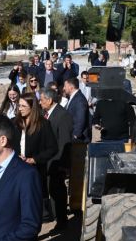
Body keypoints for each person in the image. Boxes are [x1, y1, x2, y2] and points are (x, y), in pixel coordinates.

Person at [39, 87, 74, 231]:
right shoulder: (46, 114)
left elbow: (65, 142)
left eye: (41, 100)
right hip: (47, 162)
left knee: (58, 193)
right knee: (50, 191)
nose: (40, 103)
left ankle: (62, 221)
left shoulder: (62, 115)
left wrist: (61, 164)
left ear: (49, 100)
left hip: (57, 163)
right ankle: (54, 217)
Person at [14, 94, 58, 208]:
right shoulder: (14, 123)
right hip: (15, 169)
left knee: (33, 204)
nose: (20, 109)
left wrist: (34, 159)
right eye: (19, 106)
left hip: (35, 172)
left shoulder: (43, 124)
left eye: (23, 106)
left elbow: (52, 148)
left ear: (32, 107)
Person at [63, 77, 90, 142]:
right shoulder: (73, 97)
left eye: (65, 86)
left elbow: (81, 118)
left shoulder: (79, 99)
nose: (64, 88)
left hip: (78, 139)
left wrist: (76, 135)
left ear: (71, 87)